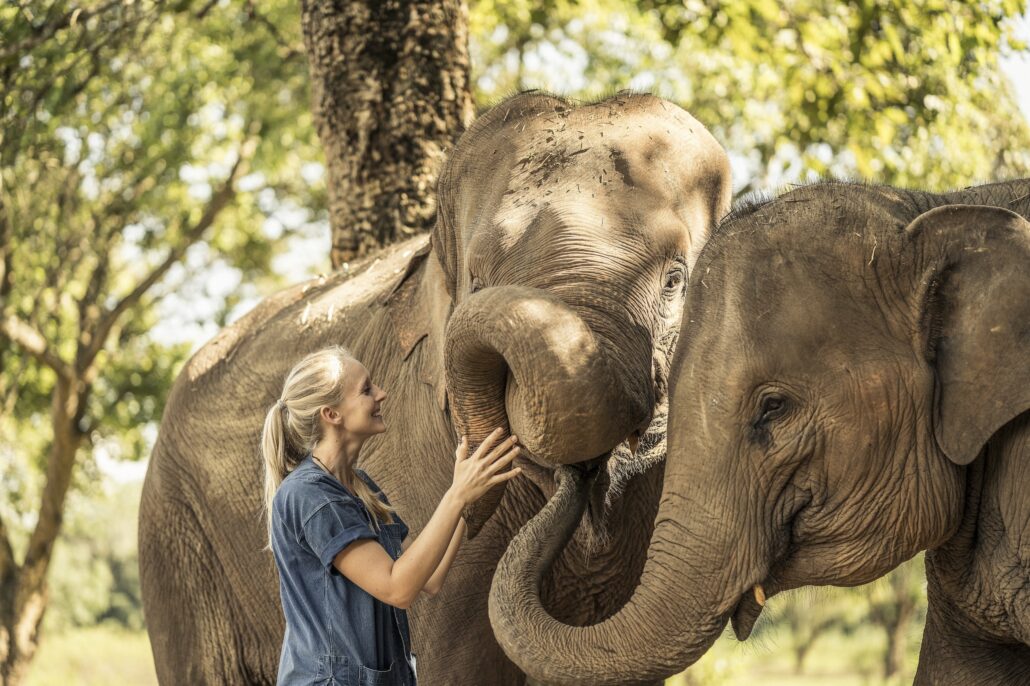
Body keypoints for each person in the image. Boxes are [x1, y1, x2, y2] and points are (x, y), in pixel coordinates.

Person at [261, 345, 521, 685]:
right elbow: (397, 588)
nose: (381, 395)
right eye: (367, 390)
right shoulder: (311, 497)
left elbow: (429, 579)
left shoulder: (359, 486)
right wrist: (456, 496)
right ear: (331, 414)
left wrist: (465, 498)